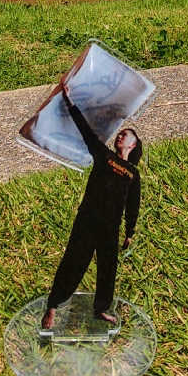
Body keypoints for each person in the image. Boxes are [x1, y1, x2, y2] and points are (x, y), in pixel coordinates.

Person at [41, 82, 143, 329]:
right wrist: (70, 102)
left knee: (108, 269)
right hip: (88, 219)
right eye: (121, 133)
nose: (121, 135)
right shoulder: (103, 155)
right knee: (74, 261)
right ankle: (53, 306)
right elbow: (85, 130)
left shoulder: (132, 174)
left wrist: (129, 232)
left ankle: (101, 310)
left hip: (110, 227)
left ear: (133, 146)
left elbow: (133, 204)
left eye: (127, 135)